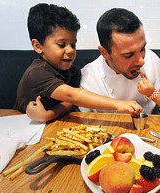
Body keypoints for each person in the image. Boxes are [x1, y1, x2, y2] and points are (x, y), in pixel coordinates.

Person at [14, 4, 142, 122]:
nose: (70, 50)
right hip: (22, 124)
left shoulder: (73, 72)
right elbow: (71, 95)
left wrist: (47, 115)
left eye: (73, 44)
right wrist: (118, 104)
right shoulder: (37, 73)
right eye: (61, 45)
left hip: (53, 124)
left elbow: (68, 103)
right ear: (38, 46)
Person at [79, 8, 160, 114]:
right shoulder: (88, 80)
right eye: (129, 55)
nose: (141, 61)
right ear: (105, 53)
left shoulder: (152, 60)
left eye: (142, 49)